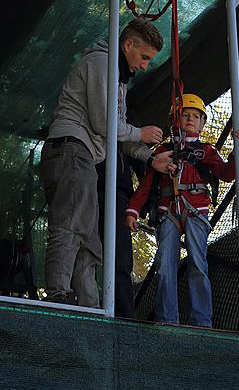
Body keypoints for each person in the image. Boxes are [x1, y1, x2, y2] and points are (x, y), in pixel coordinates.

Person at [41, 18, 173, 308]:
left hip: (82, 156)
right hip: (71, 151)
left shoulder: (118, 79)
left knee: (89, 239)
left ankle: (87, 305)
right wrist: (141, 132)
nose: (145, 66)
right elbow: (105, 123)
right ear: (128, 45)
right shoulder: (102, 63)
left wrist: (151, 159)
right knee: (71, 225)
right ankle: (58, 294)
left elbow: (118, 135)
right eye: (144, 57)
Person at [125, 93, 239, 327]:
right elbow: (146, 184)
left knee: (198, 266)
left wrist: (238, 152)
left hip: (196, 211)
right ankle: (167, 320)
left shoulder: (207, 151)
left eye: (196, 116)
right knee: (164, 267)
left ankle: (202, 321)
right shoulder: (163, 152)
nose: (190, 119)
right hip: (168, 212)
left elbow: (227, 173)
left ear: (202, 123)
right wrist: (132, 210)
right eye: (185, 115)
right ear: (175, 120)